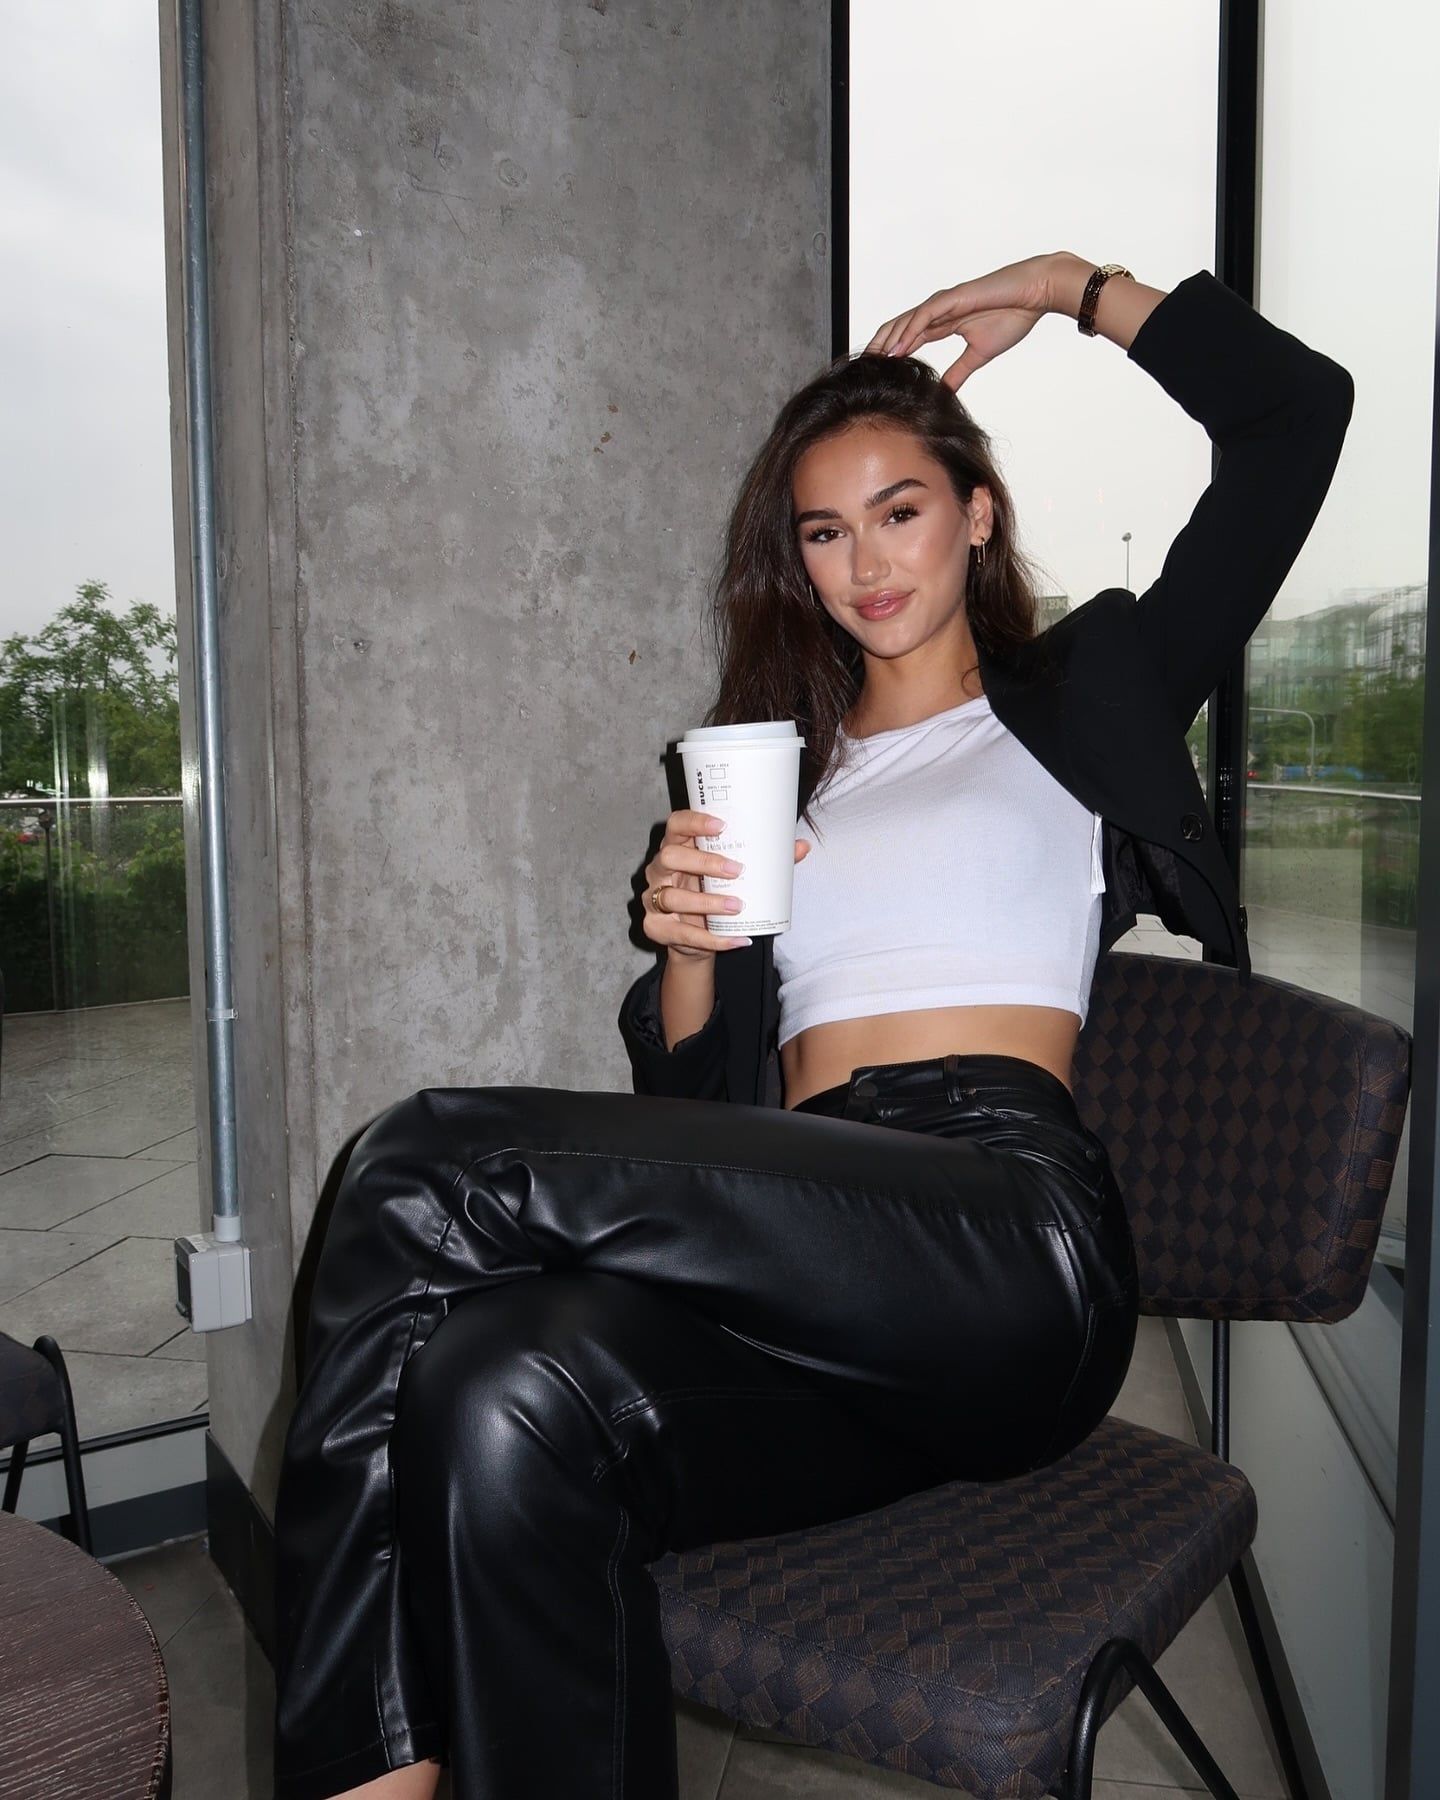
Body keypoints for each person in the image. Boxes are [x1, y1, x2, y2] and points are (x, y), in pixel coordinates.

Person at [271, 251, 1354, 1800]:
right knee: (500, 1386)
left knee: (422, 1163)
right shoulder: (787, 769)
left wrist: (1067, 288)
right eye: (825, 532)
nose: (865, 562)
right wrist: (690, 946)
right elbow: (708, 1100)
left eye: (900, 511)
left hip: (1004, 1241)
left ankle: (362, 1771)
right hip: (818, 1270)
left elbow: (1297, 418)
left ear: (978, 514)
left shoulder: (1089, 691)